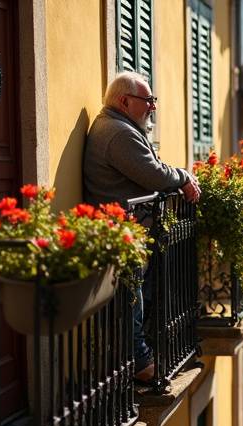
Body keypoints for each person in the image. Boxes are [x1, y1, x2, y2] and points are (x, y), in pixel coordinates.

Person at [83, 71, 201, 383]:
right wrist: (184, 177)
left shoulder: (121, 127)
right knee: (130, 301)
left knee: (136, 299)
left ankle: (140, 357)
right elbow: (155, 175)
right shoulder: (119, 133)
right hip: (123, 232)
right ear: (125, 101)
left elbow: (155, 168)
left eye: (153, 100)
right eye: (148, 100)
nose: (153, 106)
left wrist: (178, 176)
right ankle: (138, 364)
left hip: (131, 230)